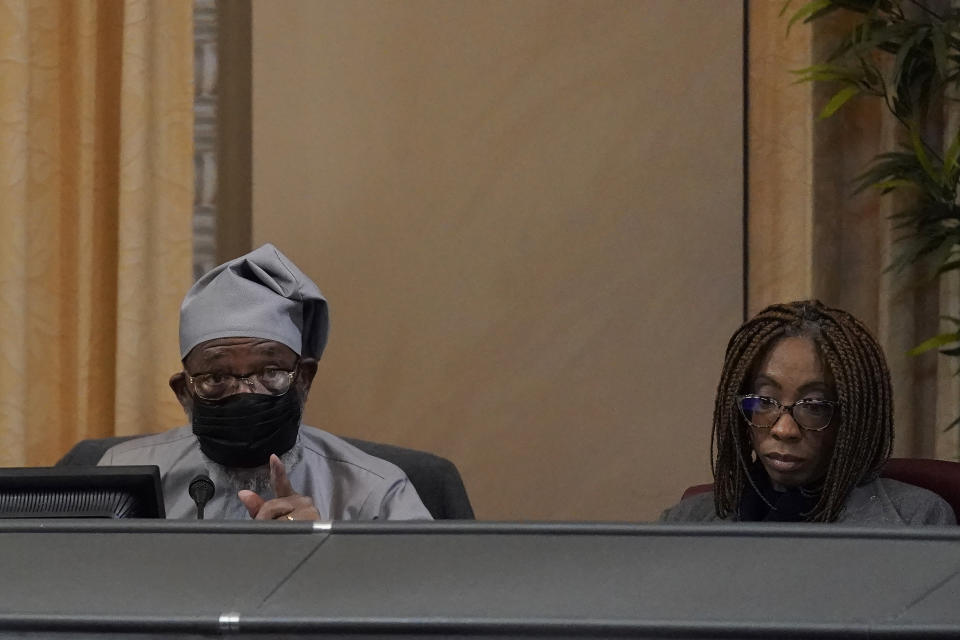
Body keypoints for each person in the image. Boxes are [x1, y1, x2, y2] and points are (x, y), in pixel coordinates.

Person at [99, 244, 432, 521]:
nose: (245, 393)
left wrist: (322, 557)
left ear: (304, 379)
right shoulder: (123, 476)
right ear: (184, 392)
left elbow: (427, 596)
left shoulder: (375, 493)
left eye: (270, 373)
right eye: (217, 377)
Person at [660, 300, 955, 525]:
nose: (784, 430)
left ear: (851, 419)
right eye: (764, 401)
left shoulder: (917, 519)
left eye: (814, 406)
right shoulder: (686, 522)